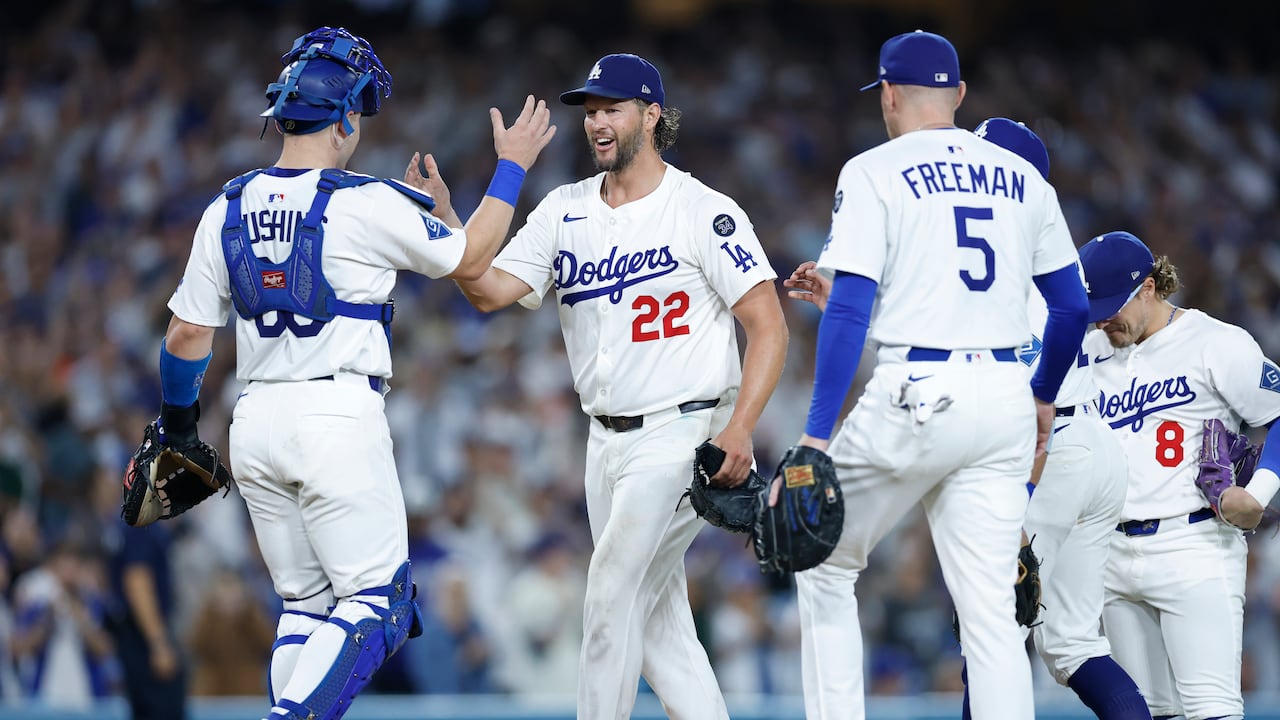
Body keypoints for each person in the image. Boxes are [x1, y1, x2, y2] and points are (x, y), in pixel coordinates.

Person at [157, 26, 555, 720]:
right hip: (336, 416)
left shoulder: (226, 204)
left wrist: (180, 428)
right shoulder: (365, 201)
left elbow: (187, 333)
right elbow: (472, 257)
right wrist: (512, 166)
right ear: (344, 119)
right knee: (380, 603)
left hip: (253, 422)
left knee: (306, 609)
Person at [436, 53, 789, 719]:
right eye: (590, 109)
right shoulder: (563, 210)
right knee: (657, 629)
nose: (596, 120)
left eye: (611, 107)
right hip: (605, 445)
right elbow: (486, 290)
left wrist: (739, 427)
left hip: (684, 434)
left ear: (652, 115)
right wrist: (459, 219)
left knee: (608, 594)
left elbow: (768, 326)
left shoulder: (702, 210)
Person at [790, 117, 1150, 719]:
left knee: (991, 626)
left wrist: (1021, 497)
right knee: (1072, 642)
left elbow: (952, 355)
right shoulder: (1035, 264)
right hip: (1096, 450)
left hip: (1046, 448)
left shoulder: (994, 276)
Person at [1079, 230, 1280, 720]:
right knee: (1147, 712)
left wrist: (1260, 490)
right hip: (1111, 552)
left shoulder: (1216, 344)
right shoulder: (1089, 348)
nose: (1105, 319)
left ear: (1149, 288)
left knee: (1211, 709)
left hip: (1193, 546)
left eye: (1114, 305)